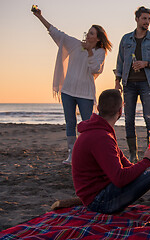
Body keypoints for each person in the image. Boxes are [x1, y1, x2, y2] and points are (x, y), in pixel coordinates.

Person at [32, 7, 112, 164]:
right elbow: (55, 32)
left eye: (91, 33)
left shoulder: (100, 52)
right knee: (70, 122)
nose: (88, 35)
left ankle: (88, 153)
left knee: (87, 124)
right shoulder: (75, 44)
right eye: (88, 32)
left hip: (86, 94)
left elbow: (96, 69)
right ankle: (72, 153)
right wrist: (39, 17)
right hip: (68, 90)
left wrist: (89, 52)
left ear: (97, 38)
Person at [72, 89, 150, 214]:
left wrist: (149, 162)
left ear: (98, 108)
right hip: (99, 202)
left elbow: (128, 167)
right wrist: (146, 161)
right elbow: (120, 178)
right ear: (120, 111)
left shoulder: (102, 132)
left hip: (102, 194)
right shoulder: (101, 137)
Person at [115, 6, 150, 163]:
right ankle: (133, 154)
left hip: (147, 83)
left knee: (149, 118)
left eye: (149, 19)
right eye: (144, 18)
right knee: (129, 119)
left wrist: (146, 63)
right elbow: (120, 62)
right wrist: (117, 82)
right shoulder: (125, 39)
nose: (147, 22)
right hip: (128, 84)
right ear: (136, 19)